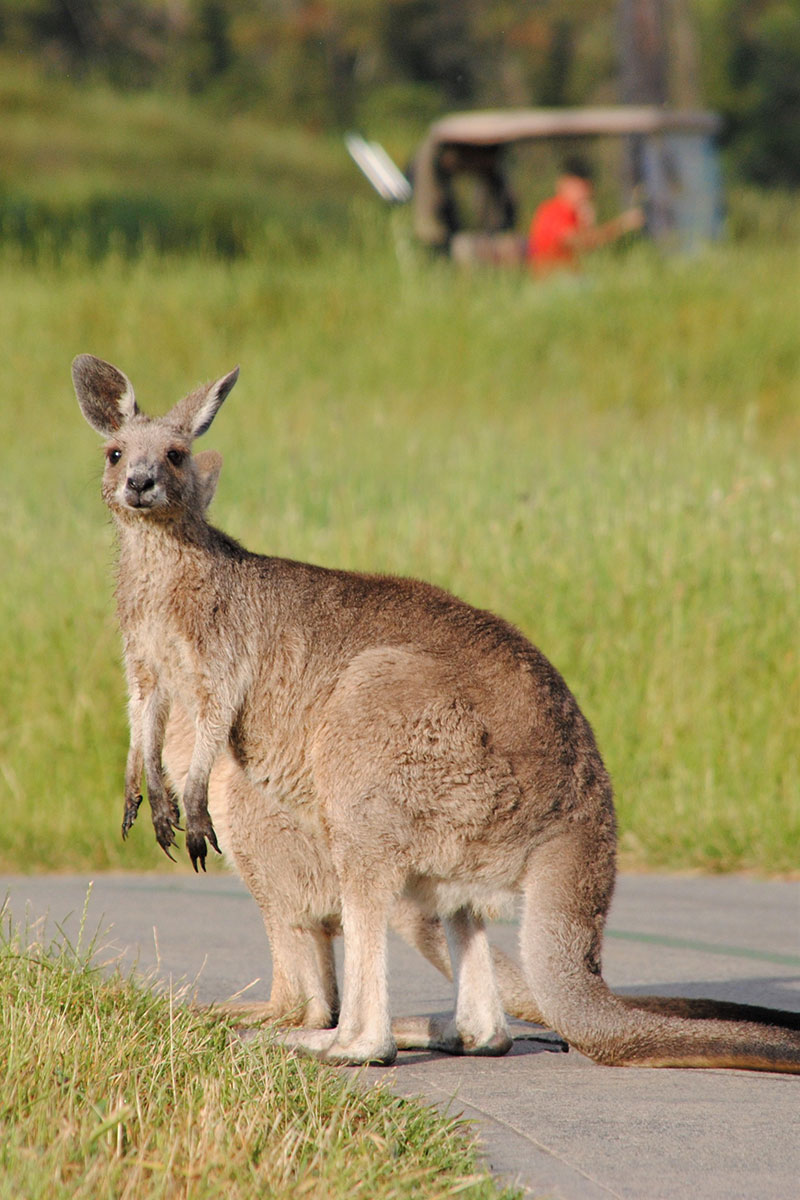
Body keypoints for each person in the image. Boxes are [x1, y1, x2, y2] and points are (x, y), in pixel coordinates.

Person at [528, 156, 644, 273]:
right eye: (580, 188)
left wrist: (587, 224)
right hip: (554, 278)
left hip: (572, 276)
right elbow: (582, 243)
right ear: (563, 184)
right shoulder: (553, 212)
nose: (585, 194)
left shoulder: (576, 214)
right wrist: (623, 224)